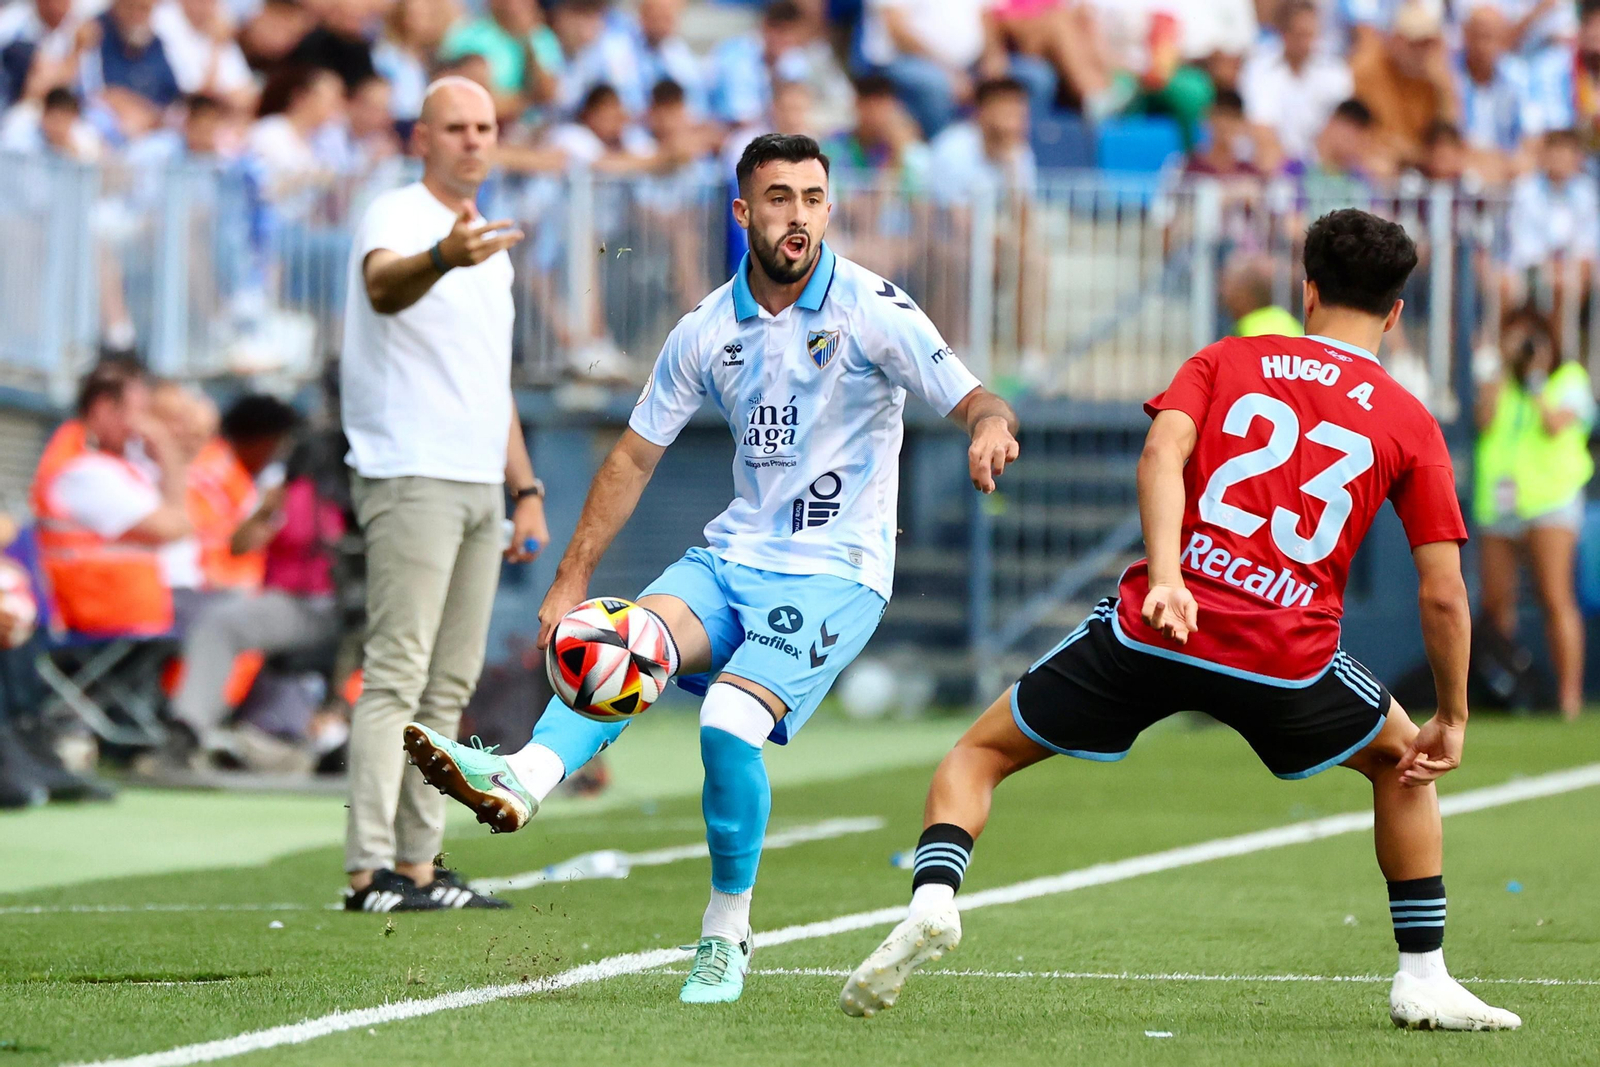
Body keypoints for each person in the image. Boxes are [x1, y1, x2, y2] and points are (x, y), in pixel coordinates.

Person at [840, 208, 1523, 1033]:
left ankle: (933, 897)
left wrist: (1168, 576)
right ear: (1396, 310)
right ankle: (1423, 975)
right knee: (1403, 763)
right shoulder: (1408, 417)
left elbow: (1161, 453)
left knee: (978, 752)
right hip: (1287, 652)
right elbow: (1443, 591)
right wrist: (1452, 713)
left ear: (1307, 290)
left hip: (1160, 624)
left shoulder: (1225, 358)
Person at [403, 132, 1020, 1003]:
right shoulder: (706, 328)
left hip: (836, 570)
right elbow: (631, 457)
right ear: (742, 211)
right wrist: (572, 578)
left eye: (813, 198)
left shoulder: (873, 307)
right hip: (733, 557)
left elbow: (976, 395)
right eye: (779, 198)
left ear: (829, 210)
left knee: (728, 719)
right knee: (620, 642)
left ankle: (726, 932)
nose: (798, 216)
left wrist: (989, 426)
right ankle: (523, 776)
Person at [339, 75, 549, 913]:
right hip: (409, 466)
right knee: (397, 671)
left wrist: (525, 487)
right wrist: (441, 257)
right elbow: (382, 286)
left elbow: (490, 383)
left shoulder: (488, 246)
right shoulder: (398, 215)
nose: (473, 140)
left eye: (484, 127)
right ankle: (368, 871)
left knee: (448, 684)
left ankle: (420, 864)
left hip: (476, 477)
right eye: (455, 127)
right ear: (421, 138)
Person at [1474, 306, 1592, 721]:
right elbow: (1484, 421)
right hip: (1499, 503)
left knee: (1555, 597)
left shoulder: (1569, 379)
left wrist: (1536, 376)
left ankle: (1569, 697)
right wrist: (1500, 370)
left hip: (1550, 502)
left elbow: (1555, 424)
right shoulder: (1501, 380)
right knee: (1496, 602)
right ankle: (1506, 687)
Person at [30, 361, 192, 638]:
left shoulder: (109, 462)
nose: (143, 427)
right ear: (104, 408)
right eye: (139, 413)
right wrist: (165, 445)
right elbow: (175, 527)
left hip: (128, 617)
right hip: (107, 623)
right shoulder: (84, 471)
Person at [1222, 254, 1301, 337]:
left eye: (1230, 289)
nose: (1224, 295)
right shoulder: (1287, 321)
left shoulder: (1248, 331)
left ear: (1245, 297)